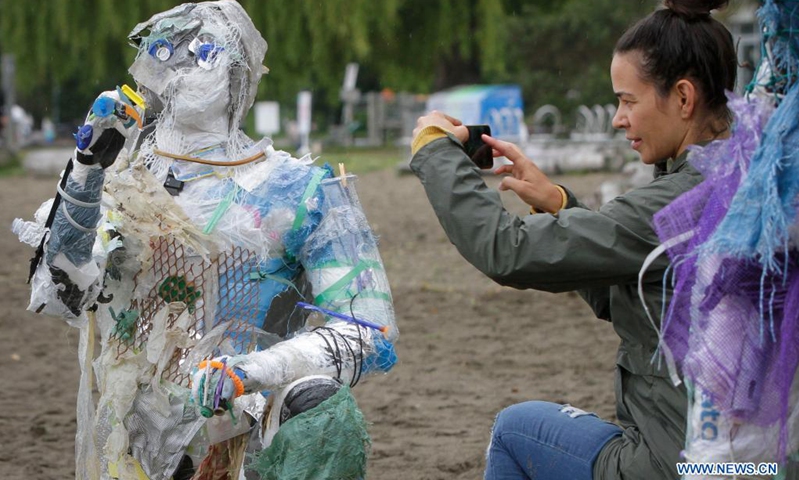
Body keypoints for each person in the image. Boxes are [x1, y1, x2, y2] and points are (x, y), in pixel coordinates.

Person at [12, 1, 397, 479]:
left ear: (239, 73)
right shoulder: (122, 183)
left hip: (243, 430)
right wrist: (87, 172)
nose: (181, 65)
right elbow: (61, 293)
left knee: (320, 407)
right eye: (164, 50)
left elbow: (369, 328)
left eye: (203, 51)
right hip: (133, 435)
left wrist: (254, 371)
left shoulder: (298, 191)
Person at [410, 0, 737, 478]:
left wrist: (435, 151)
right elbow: (637, 290)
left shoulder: (681, 202)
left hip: (687, 465)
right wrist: (560, 206)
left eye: (628, 101)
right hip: (758, 463)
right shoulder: (749, 179)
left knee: (515, 429)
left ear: (684, 98)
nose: (617, 119)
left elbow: (508, 251)